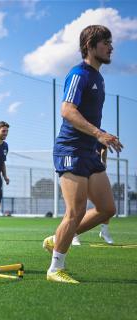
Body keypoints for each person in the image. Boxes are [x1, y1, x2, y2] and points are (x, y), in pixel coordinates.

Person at [43, 25, 122, 283]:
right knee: (74, 211)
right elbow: (67, 110)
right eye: (106, 43)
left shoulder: (99, 78)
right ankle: (55, 268)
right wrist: (99, 133)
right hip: (71, 150)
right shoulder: (79, 74)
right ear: (90, 45)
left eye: (110, 43)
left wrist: (101, 137)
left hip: (89, 151)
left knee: (107, 208)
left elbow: (87, 117)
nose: (111, 47)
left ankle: (57, 239)